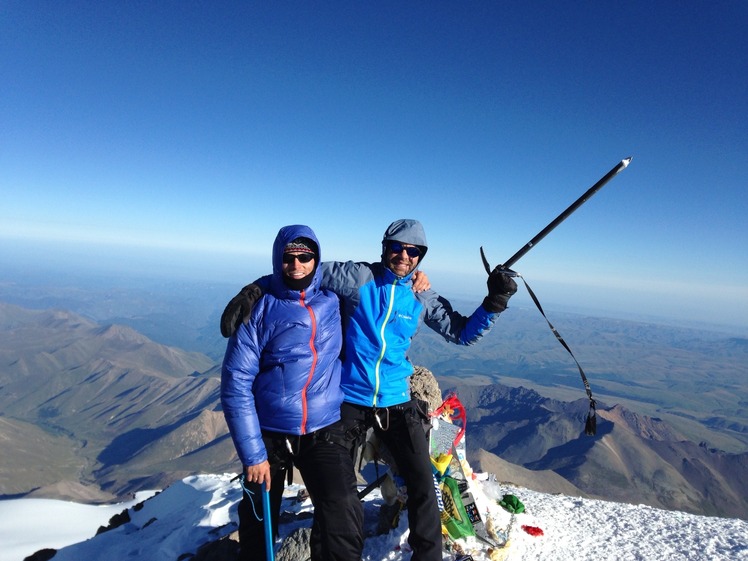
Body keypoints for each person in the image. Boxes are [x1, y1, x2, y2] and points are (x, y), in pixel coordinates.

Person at [221, 219, 517, 561]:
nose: (404, 256)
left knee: (423, 483)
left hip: (396, 399)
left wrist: (495, 301)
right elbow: (302, 273)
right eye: (397, 248)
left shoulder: (422, 295)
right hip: (348, 399)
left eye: (413, 251)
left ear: (421, 256)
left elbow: (462, 332)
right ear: (385, 248)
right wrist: (253, 291)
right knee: (335, 495)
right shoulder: (359, 278)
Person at [221, 224, 363, 561]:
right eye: (288, 257)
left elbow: (380, 275)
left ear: (316, 259)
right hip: (270, 430)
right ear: (277, 259)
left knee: (343, 508)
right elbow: (235, 383)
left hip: (323, 425)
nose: (297, 264)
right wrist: (253, 455)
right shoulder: (258, 309)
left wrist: (416, 278)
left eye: (305, 256)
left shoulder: (333, 299)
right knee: (259, 516)